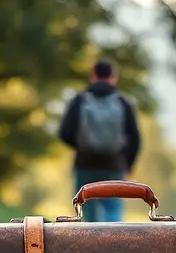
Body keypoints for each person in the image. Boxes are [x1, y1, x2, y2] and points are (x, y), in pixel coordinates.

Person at [58, 59, 141, 222]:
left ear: (93, 76)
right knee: (113, 210)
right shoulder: (123, 103)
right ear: (113, 78)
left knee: (88, 212)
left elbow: (65, 133)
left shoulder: (80, 100)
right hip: (114, 164)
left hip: (85, 164)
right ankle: (114, 238)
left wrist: (82, 146)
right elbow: (135, 139)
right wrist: (128, 164)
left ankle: (92, 238)